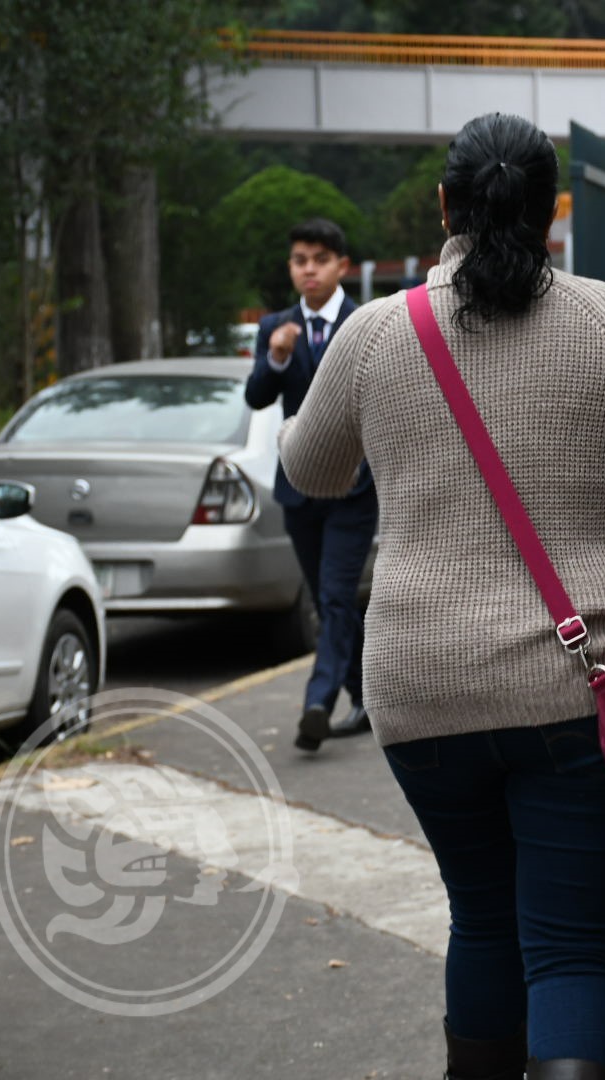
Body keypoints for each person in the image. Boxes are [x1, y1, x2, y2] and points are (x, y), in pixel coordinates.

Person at [276, 113, 605, 1080]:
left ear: (444, 206)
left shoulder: (376, 331)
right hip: (586, 692)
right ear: (554, 212)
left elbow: (311, 471)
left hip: (422, 692)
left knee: (481, 915)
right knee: (570, 950)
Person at [244, 217, 376, 752]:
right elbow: (256, 397)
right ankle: (367, 694)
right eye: (300, 260)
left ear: (341, 266)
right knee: (331, 602)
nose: (309, 270)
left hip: (354, 487)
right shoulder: (276, 327)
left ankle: (317, 703)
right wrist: (275, 357)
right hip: (299, 488)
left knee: (337, 594)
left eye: (319, 260)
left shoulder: (363, 321)